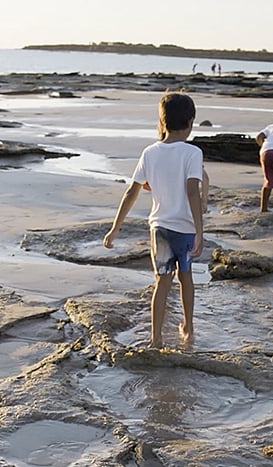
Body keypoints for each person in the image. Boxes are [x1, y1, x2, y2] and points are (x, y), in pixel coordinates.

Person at [103, 92, 205, 349]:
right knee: (186, 278)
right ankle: (188, 328)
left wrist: (115, 228)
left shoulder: (150, 152)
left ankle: (156, 338)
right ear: (191, 121)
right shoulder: (193, 153)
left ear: (162, 121)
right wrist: (200, 231)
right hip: (185, 228)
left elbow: (132, 191)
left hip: (159, 227)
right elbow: (193, 191)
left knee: (162, 282)